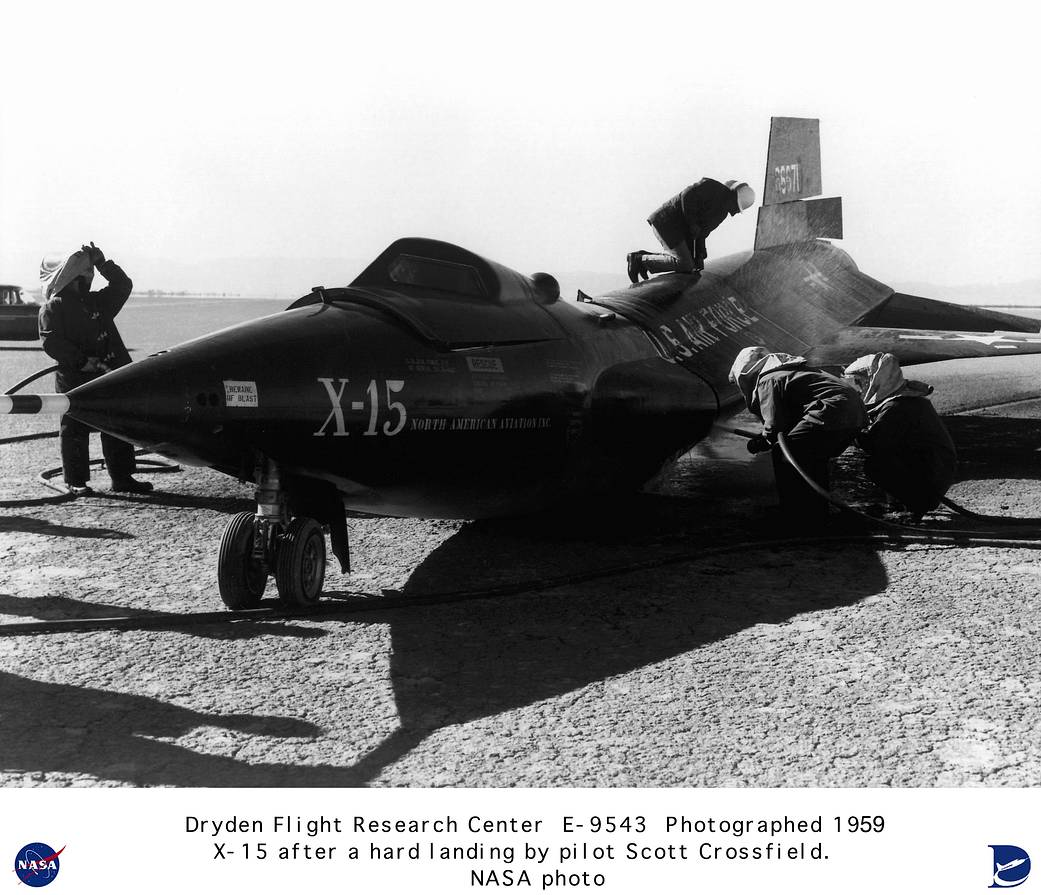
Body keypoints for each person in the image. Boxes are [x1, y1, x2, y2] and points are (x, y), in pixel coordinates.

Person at [38, 243, 153, 496]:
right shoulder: (52, 307)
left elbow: (122, 285)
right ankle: (75, 481)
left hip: (108, 374)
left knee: (116, 424)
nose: (88, 278)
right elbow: (51, 341)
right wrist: (81, 361)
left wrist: (103, 263)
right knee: (74, 427)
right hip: (75, 378)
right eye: (85, 274)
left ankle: (122, 477)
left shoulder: (97, 302)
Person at [729, 346, 867, 522]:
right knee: (812, 457)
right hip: (854, 413)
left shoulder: (767, 380)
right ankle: (816, 511)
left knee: (785, 452)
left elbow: (774, 425)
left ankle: (794, 511)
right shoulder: (792, 372)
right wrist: (769, 435)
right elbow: (789, 421)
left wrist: (762, 441)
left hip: (831, 411)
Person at [843, 352, 957, 520]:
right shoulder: (903, 401)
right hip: (935, 471)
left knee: (875, 465)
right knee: (884, 458)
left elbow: (874, 443)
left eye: (859, 382)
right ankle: (904, 504)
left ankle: (911, 506)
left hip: (932, 475)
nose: (859, 388)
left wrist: (849, 429)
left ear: (874, 380)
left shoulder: (897, 406)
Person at [628, 178, 756, 283]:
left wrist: (700, 251)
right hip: (666, 222)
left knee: (691, 265)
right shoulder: (712, 187)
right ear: (732, 196)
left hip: (679, 230)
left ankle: (644, 259)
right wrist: (692, 223)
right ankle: (640, 260)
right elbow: (687, 196)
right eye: (736, 206)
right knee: (685, 264)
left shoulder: (720, 214)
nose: (735, 212)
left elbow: (702, 233)